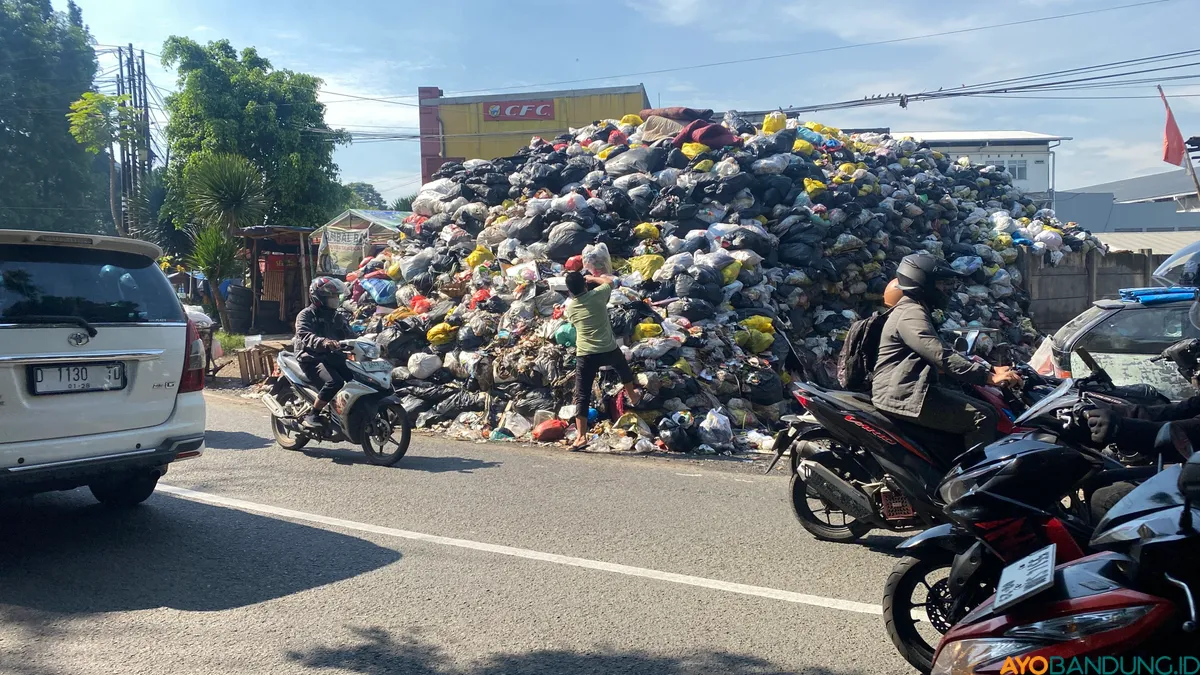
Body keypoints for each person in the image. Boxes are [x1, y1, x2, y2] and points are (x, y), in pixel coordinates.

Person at [872, 253, 1021, 451]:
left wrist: (992, 368)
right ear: (923, 284)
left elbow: (944, 350)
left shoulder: (915, 309)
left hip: (915, 388)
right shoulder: (911, 314)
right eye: (942, 285)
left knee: (989, 410)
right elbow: (939, 354)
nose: (947, 291)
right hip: (903, 393)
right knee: (982, 417)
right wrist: (988, 377)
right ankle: (970, 480)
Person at [563, 270, 642, 450]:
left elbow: (574, 324)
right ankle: (633, 395)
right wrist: (593, 278)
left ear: (569, 291)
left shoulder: (570, 308)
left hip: (586, 353)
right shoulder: (598, 295)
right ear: (584, 284)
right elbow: (611, 281)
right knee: (623, 367)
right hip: (607, 348)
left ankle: (581, 437)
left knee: (582, 393)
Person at [295, 277, 354, 429]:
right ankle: (313, 414)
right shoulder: (306, 315)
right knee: (335, 382)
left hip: (332, 356)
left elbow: (350, 334)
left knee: (355, 378)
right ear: (319, 297)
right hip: (311, 357)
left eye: (336, 296)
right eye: (331, 296)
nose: (335, 299)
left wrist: (367, 342)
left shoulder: (337, 316)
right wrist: (324, 342)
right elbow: (305, 335)